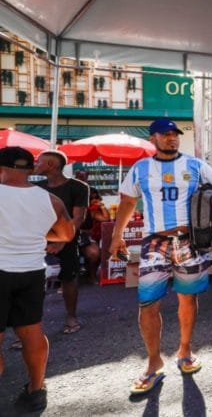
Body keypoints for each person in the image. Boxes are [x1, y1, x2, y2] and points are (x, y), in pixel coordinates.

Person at [109, 118, 212, 395]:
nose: (172, 138)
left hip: (190, 242)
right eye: (165, 134)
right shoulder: (141, 168)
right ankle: (153, 362)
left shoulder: (195, 165)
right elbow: (128, 201)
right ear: (153, 138)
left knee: (188, 299)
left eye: (175, 134)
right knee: (147, 304)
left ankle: (185, 350)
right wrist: (117, 235)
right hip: (154, 242)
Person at [0, 147, 75, 413]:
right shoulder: (51, 200)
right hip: (31, 271)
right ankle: (36, 389)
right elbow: (66, 234)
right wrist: (34, 234)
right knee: (32, 332)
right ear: (30, 170)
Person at [34, 150, 89, 335]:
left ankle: (71, 316)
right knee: (33, 281)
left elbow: (78, 217)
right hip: (38, 240)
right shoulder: (35, 187)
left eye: (39, 162)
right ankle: (30, 326)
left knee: (69, 277)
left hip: (68, 239)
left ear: (51, 165)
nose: (35, 165)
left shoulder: (78, 187)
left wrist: (62, 241)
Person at [80, 189, 110, 283]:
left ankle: (91, 275)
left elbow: (105, 218)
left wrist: (102, 206)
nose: (94, 200)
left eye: (96, 197)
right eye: (91, 198)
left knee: (97, 253)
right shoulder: (77, 207)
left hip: (85, 237)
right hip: (71, 236)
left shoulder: (92, 211)